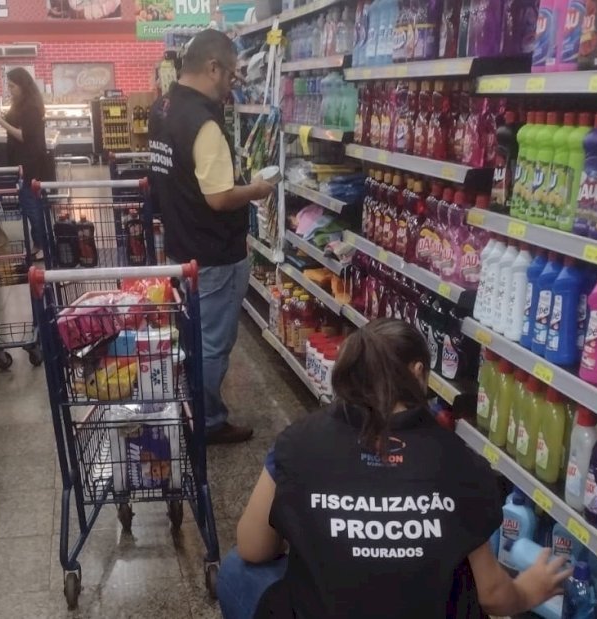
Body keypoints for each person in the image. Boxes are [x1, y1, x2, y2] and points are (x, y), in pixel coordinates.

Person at [217, 319, 571, 618]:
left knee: (236, 568)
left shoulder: (297, 442)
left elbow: (252, 547)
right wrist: (529, 590)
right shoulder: (461, 462)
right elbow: (492, 595)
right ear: (418, 373)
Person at [148, 30, 275, 445]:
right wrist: (256, 189)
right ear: (213, 67)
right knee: (212, 345)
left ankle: (190, 406)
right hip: (213, 255)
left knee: (191, 336)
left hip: (180, 246)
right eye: (232, 75)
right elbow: (219, 197)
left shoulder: (163, 108)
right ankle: (208, 421)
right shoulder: (203, 121)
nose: (231, 85)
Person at [0, 68, 52, 257]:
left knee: (31, 204)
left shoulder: (30, 107)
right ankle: (40, 243)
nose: (10, 90)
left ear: (23, 85)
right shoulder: (21, 104)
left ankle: (42, 245)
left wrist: (0, 122)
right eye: (8, 86)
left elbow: (24, 136)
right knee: (31, 203)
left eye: (12, 86)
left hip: (31, 163)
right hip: (23, 161)